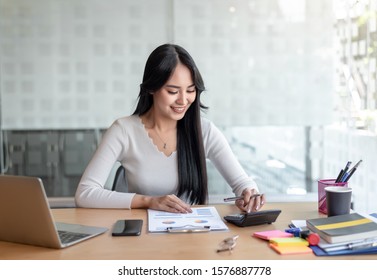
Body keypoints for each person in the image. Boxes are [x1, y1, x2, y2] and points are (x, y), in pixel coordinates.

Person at [75, 43, 265, 213]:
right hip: (141, 239)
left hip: (190, 235)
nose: (183, 100)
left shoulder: (204, 131)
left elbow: (242, 183)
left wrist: (250, 195)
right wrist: (149, 201)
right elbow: (85, 193)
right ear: (151, 88)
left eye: (190, 91)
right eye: (173, 91)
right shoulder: (123, 131)